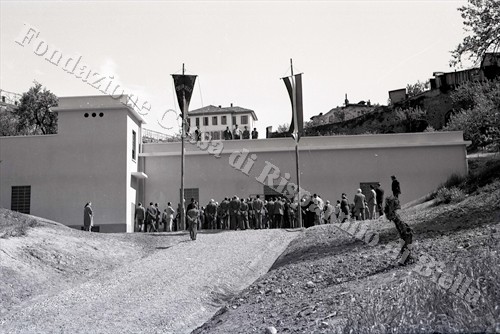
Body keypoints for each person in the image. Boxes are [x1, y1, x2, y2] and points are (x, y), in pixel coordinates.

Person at [384, 196, 413, 265]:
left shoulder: (392, 214)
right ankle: (406, 260)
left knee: (406, 243)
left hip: (403, 230)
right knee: (406, 242)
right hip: (403, 230)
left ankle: (406, 259)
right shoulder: (392, 214)